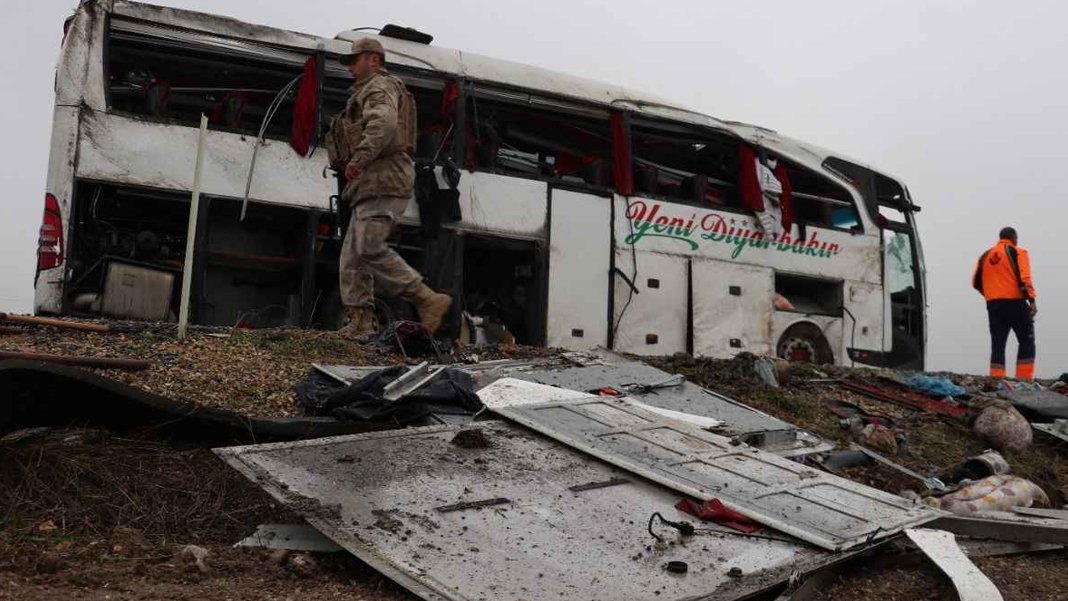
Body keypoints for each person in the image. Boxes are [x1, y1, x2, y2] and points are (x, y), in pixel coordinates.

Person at [328, 37, 452, 338]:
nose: (350, 67)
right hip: (372, 181)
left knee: (369, 246)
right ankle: (360, 322)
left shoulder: (378, 86)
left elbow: (383, 123)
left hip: (384, 177)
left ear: (373, 60)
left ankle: (427, 299)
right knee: (353, 256)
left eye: (355, 60)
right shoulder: (368, 90)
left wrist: (360, 157)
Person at [972, 227, 1037, 380]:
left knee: (998, 343)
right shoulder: (1018, 252)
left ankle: (996, 379)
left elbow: (976, 282)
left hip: (994, 304)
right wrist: (1032, 301)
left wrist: (992, 295)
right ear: (1014, 238)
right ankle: (1024, 379)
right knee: (1026, 339)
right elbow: (1025, 278)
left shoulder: (985, 256)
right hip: (1015, 303)